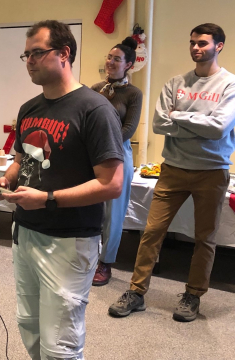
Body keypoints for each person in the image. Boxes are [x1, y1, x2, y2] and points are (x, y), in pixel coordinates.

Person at [0, 20, 123, 359]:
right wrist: (8, 179)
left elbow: (112, 184)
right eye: (26, 54)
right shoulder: (29, 108)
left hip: (69, 240)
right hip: (27, 232)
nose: (30, 60)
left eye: (37, 53)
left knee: (60, 342)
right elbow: (21, 160)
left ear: (64, 53)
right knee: (29, 325)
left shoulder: (95, 109)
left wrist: (47, 199)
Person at [109, 23, 235, 323]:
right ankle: (136, 292)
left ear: (218, 46)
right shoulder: (175, 83)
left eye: (202, 43)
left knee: (204, 238)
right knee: (152, 232)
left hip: (212, 171)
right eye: (192, 42)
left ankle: (193, 296)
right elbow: (158, 125)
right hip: (173, 169)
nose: (195, 47)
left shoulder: (229, 85)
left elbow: (219, 128)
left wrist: (179, 116)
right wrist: (196, 121)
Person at [91, 37, 143, 286]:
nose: (110, 62)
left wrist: (105, 148)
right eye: (109, 57)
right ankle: (89, 256)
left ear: (128, 65)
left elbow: (129, 127)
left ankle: (105, 262)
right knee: (91, 209)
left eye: (117, 59)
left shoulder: (133, 93)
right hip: (92, 156)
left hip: (118, 156)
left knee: (113, 215)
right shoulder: (94, 89)